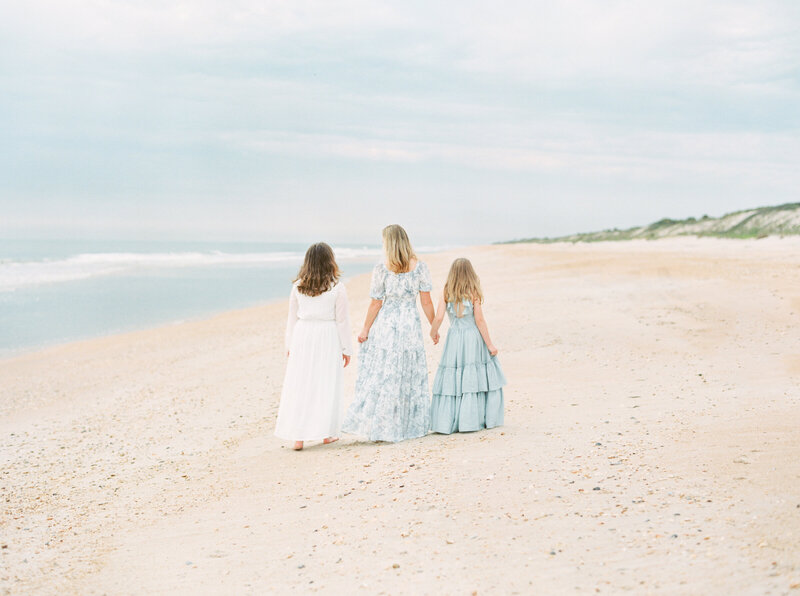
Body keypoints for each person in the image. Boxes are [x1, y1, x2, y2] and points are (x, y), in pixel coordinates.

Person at [341, 224, 434, 442]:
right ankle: (408, 425)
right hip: (410, 325)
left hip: (387, 324)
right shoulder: (420, 268)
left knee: (385, 373)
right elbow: (426, 301)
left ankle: (383, 425)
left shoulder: (381, 269)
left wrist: (365, 329)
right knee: (408, 373)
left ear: (388, 244)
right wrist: (433, 326)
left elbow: (376, 303)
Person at [275, 243, 353, 450]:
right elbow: (342, 321)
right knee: (325, 383)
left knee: (300, 383)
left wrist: (289, 344)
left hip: (303, 334)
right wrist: (347, 349)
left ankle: (298, 438)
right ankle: (326, 433)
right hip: (327, 335)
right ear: (330, 261)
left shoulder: (298, 286)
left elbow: (291, 318)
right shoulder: (337, 287)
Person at [429, 257, 505, 434]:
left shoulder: (446, 291)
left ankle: (447, 421)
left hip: (454, 338)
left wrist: (433, 332)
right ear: (470, 274)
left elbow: (439, 317)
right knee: (473, 377)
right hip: (473, 338)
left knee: (454, 377)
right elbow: (479, 320)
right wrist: (490, 345)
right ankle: (472, 419)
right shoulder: (473, 292)